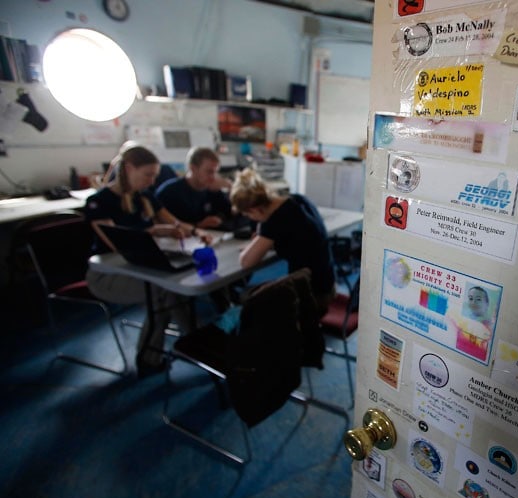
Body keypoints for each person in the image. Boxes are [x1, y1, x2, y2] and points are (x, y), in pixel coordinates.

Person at [84, 145, 206, 377]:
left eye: (154, 176)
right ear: (129, 169)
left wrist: (197, 232)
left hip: (141, 267)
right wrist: (155, 230)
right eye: (148, 175)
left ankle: (194, 343)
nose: (152, 181)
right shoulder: (99, 202)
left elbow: (174, 222)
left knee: (175, 286)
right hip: (108, 275)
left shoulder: (145, 197)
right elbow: (119, 244)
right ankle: (153, 358)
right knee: (161, 293)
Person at [229, 168, 335, 316]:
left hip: (312, 296)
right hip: (327, 284)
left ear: (253, 209)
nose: (249, 218)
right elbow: (296, 238)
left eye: (247, 214)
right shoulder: (297, 199)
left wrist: (259, 236)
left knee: (248, 298)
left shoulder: (274, 220)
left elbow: (246, 262)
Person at [155, 147, 232, 230]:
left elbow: (232, 214)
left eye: (215, 172)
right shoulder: (169, 192)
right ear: (193, 168)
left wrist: (231, 190)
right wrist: (198, 225)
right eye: (209, 172)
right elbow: (160, 224)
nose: (213, 177)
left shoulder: (212, 189)